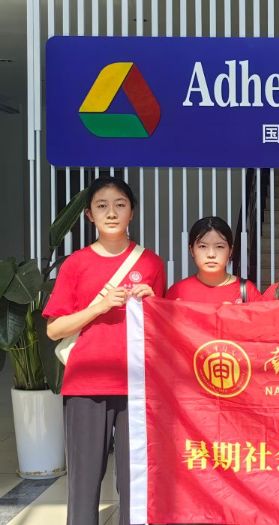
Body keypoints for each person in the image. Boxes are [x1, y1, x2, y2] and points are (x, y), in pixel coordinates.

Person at [44, 177, 166, 525]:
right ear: (89, 215)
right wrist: (99, 307)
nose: (111, 213)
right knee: (83, 481)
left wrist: (154, 305)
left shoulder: (152, 264)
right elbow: (54, 330)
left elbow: (163, 331)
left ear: (132, 212)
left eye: (120, 205)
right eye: (102, 206)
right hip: (85, 384)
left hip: (138, 385)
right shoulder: (75, 264)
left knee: (135, 481)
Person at [166, 216, 261, 303]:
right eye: (203, 246)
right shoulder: (177, 291)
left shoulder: (247, 291)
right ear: (191, 250)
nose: (211, 254)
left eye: (219, 246)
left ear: (230, 251)